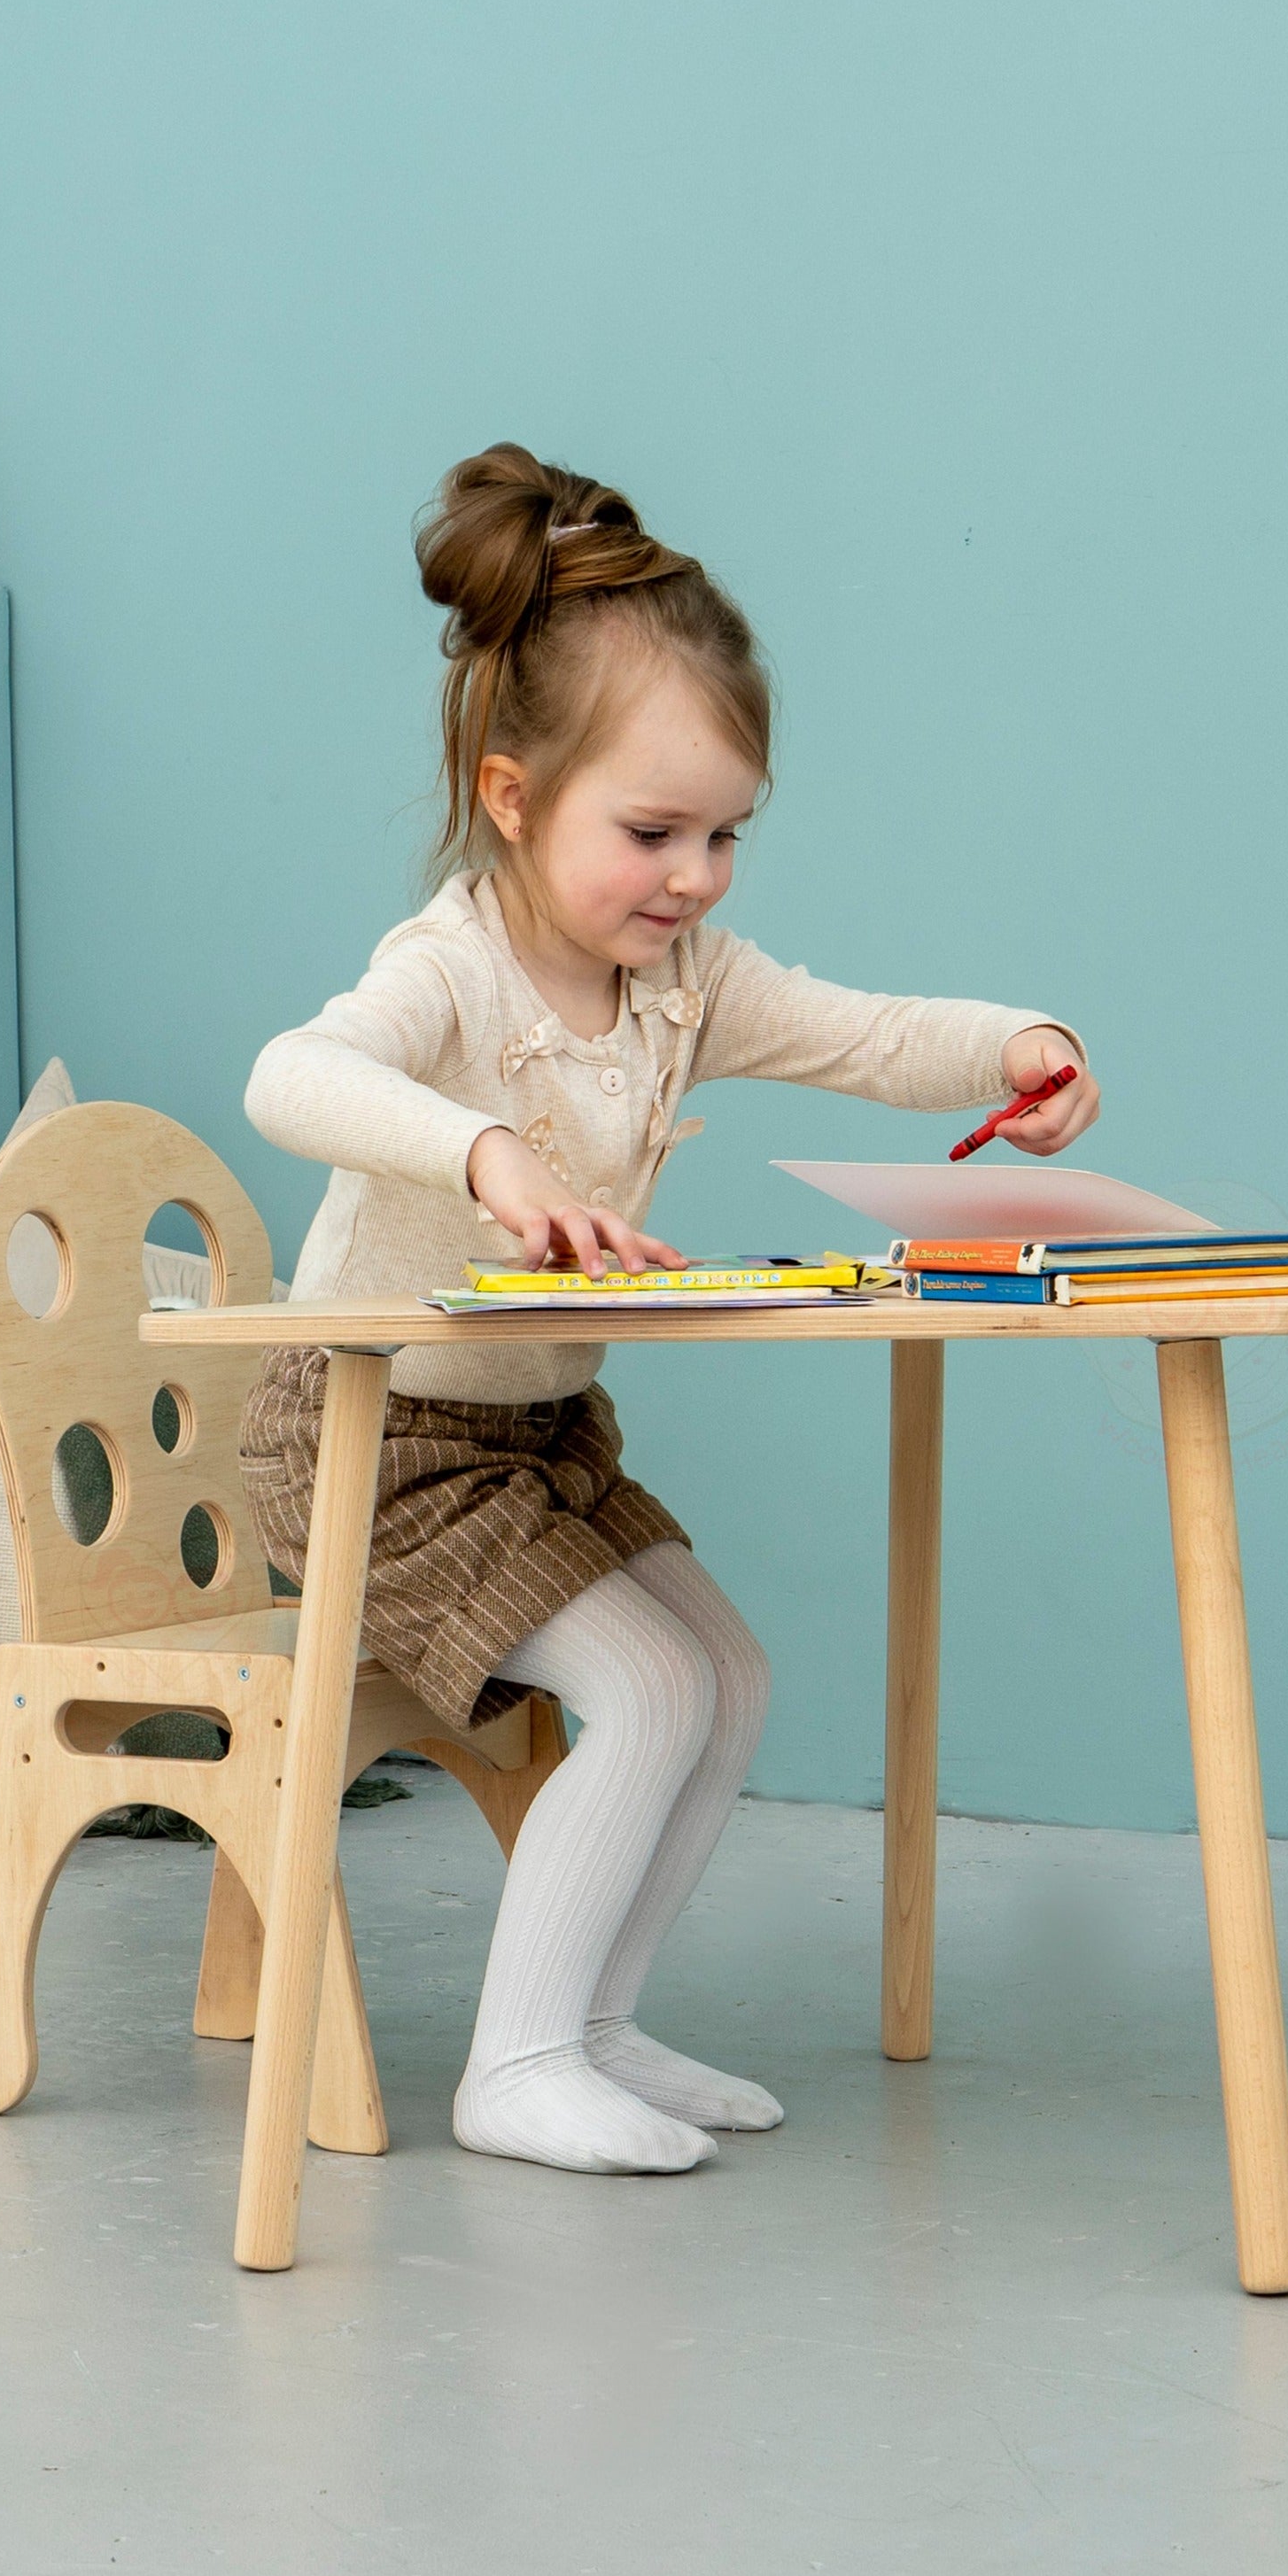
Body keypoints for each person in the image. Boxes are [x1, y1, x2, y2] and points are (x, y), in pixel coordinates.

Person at [243, 443, 1095, 2177]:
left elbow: (867, 1034)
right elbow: (292, 1074)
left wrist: (1019, 1042)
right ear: (508, 795)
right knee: (640, 1685)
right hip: (369, 1435)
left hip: (537, 1430)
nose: (692, 875)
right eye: (650, 834)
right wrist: (484, 1153)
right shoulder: (458, 961)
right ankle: (515, 2061)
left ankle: (601, 2025)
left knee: (729, 1674)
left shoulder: (681, 982)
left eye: (724, 836)